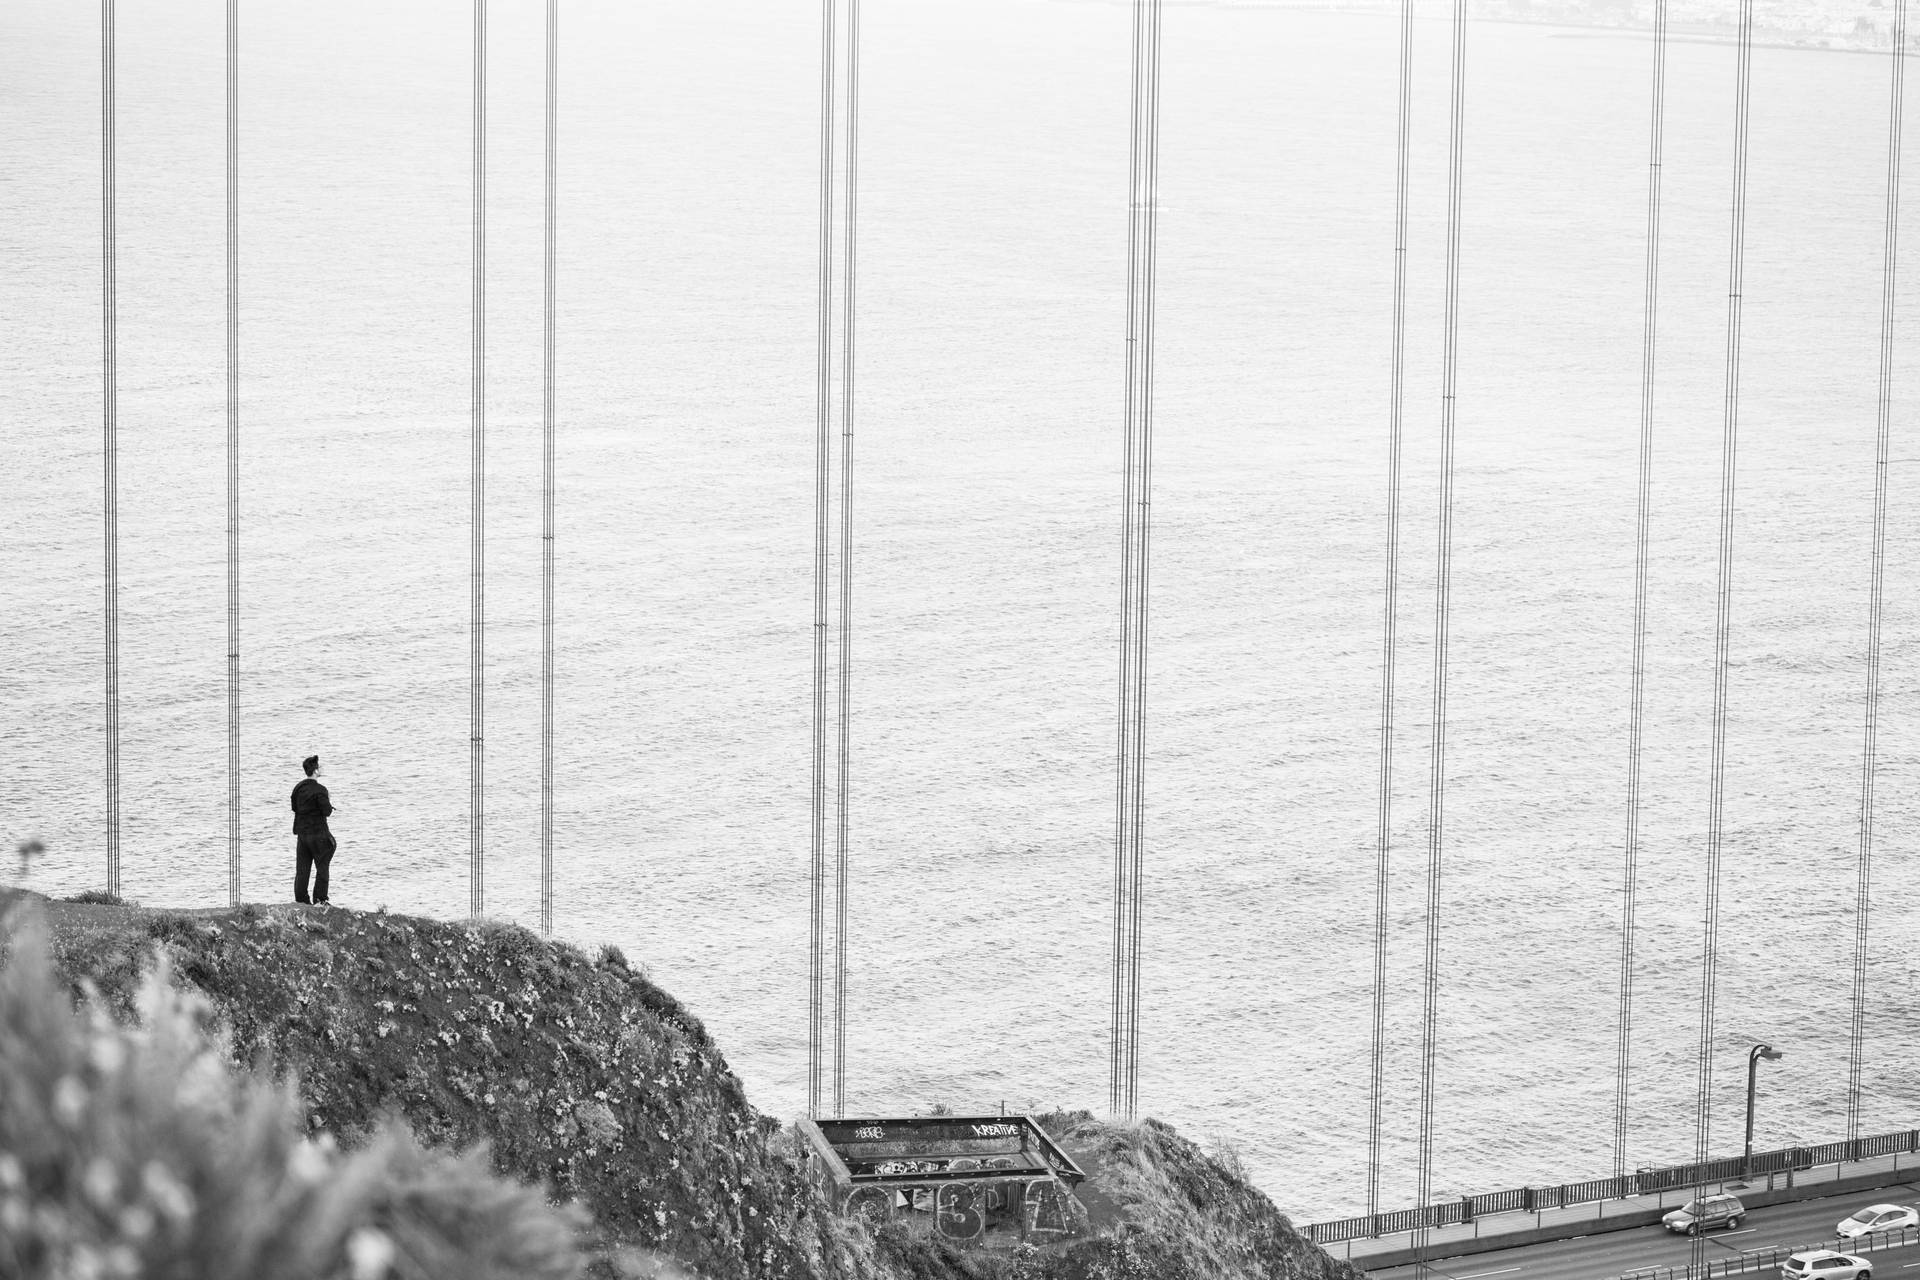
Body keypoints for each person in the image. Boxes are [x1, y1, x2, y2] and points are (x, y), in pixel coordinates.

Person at [290, 754, 336, 905]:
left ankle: (301, 900)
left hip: (302, 834)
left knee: (302, 869)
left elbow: (294, 807)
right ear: (315, 771)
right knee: (322, 867)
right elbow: (327, 811)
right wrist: (327, 799)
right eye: (319, 767)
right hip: (319, 834)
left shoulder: (298, 788)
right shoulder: (321, 790)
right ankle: (320, 899)